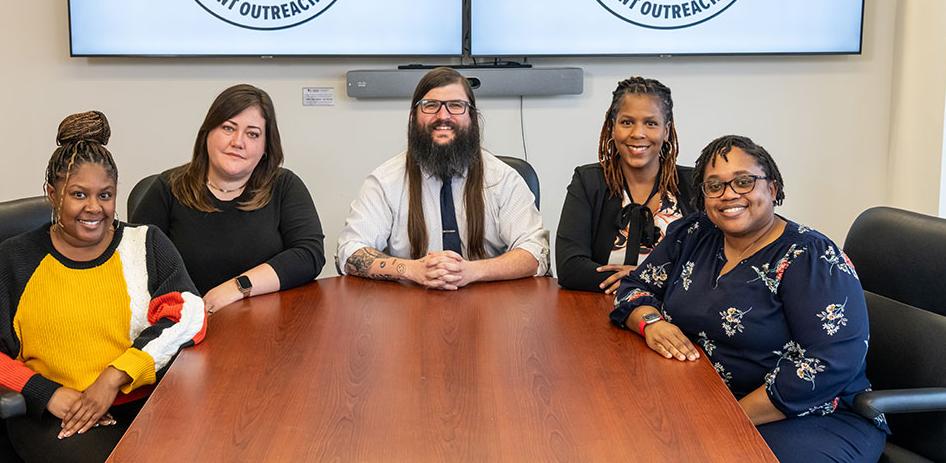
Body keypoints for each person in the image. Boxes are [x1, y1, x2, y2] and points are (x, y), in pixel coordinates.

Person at [0, 111, 206, 463]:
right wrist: (47, 392)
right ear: (52, 195)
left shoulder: (145, 244)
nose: (93, 208)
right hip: (56, 416)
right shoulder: (15, 259)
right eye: (78, 194)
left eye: (105, 195)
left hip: (146, 401)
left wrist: (113, 378)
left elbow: (188, 315)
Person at [610, 135, 886, 463]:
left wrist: (727, 418)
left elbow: (829, 365)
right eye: (714, 186)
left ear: (772, 188)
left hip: (813, 418)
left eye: (743, 181)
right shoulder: (694, 234)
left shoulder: (809, 257)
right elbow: (633, 287)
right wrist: (651, 323)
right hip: (707, 402)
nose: (729, 195)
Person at [336, 67, 549, 289]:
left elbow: (535, 252)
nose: (443, 116)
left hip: (490, 308)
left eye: (456, 105)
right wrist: (412, 269)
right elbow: (350, 250)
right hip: (408, 309)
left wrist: (470, 271)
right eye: (430, 106)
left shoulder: (503, 179)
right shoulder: (385, 182)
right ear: (413, 116)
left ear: (472, 117)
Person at [131, 84, 324, 315]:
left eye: (252, 134)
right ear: (207, 134)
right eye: (228, 128)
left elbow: (309, 255)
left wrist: (237, 288)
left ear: (265, 147)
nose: (238, 142)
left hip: (268, 327)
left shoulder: (284, 186)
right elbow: (134, 265)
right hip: (187, 326)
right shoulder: (167, 188)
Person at [556, 76, 696, 294]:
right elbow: (570, 267)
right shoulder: (588, 181)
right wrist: (653, 280)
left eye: (651, 123)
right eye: (627, 122)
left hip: (674, 314)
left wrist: (638, 278)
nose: (637, 133)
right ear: (613, 128)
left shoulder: (694, 185)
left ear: (666, 130)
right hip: (600, 310)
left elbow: (709, 270)